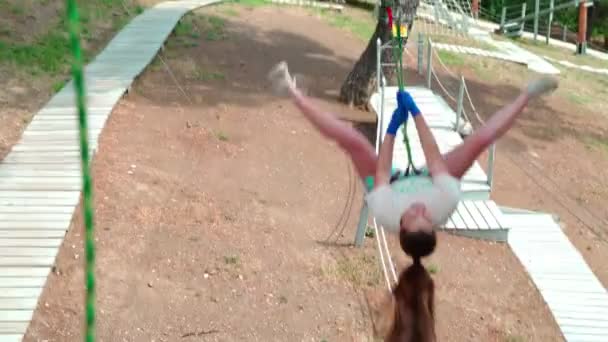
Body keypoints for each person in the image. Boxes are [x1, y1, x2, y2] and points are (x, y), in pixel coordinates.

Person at [268, 61, 558, 341]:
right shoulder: (443, 202)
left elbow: (381, 169)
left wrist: (392, 128)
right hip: (433, 179)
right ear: (433, 223)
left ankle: (293, 93)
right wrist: (416, 114)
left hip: (390, 183)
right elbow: (434, 158)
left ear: (402, 225)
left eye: (415, 215)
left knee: (353, 142)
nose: (422, 210)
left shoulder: (386, 211)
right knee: (478, 142)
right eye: (427, 218)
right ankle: (527, 94)